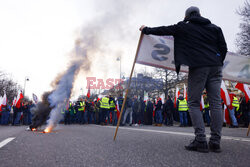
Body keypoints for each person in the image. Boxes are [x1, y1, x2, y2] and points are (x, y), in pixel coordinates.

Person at [140, 6, 227, 153]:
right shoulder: (215, 28)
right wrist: (217, 62)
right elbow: (223, 48)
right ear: (200, 14)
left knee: (193, 102)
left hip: (199, 66)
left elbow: (164, 30)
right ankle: (215, 142)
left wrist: (146, 29)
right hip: (216, 67)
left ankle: (200, 140)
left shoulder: (184, 27)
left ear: (187, 16)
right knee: (216, 104)